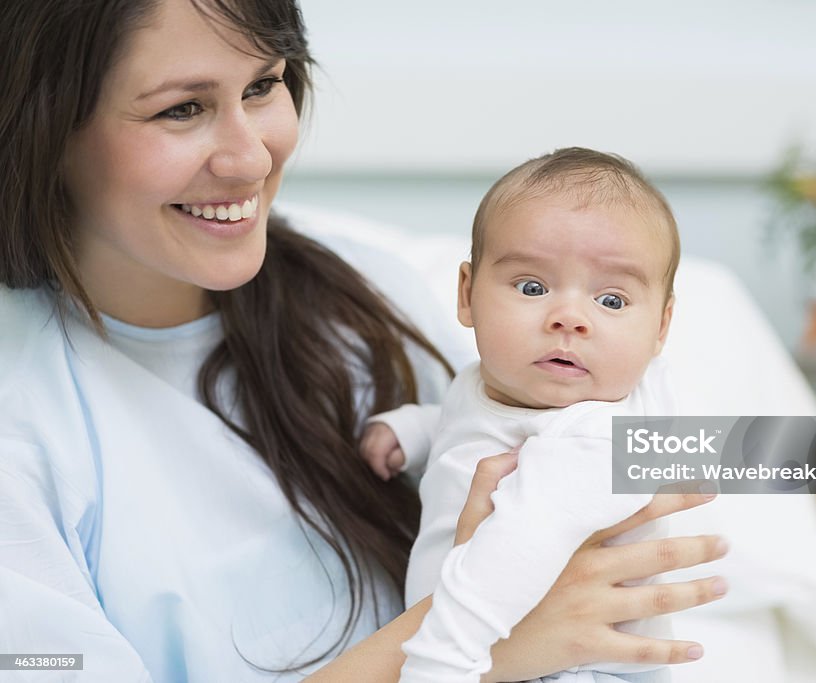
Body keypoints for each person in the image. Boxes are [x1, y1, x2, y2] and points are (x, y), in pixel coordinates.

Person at [0, 1, 729, 681]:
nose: (251, 158)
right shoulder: (27, 420)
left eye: (263, 86)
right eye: (183, 109)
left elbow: (551, 433)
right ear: (47, 125)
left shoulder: (357, 293)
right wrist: (477, 641)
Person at [359, 148, 701, 682]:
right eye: (533, 287)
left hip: (560, 665)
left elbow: (516, 551)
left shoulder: (593, 437)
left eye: (611, 301)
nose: (569, 318)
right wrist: (418, 429)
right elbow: (472, 420)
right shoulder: (495, 384)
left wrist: (439, 661)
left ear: (661, 327)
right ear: (467, 294)